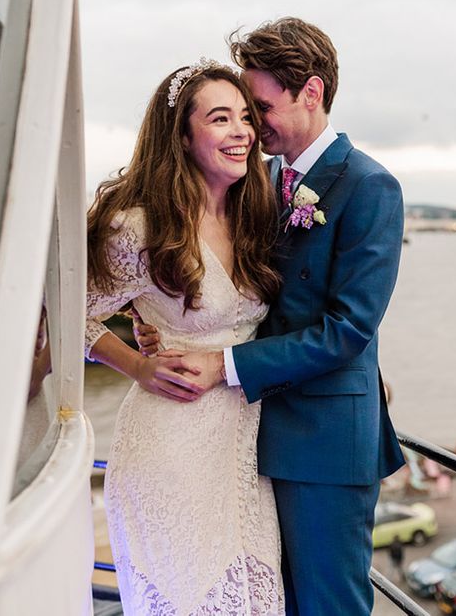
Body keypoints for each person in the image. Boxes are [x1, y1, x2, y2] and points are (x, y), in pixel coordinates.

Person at [137, 18, 405, 615]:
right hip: (250, 436)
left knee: (327, 605)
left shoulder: (370, 188)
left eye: (261, 108)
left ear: (311, 93)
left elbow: (348, 330)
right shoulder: (260, 179)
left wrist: (223, 363)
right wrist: (162, 318)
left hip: (325, 445)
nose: (253, 128)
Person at [85, 60, 284, 614]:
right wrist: (137, 364)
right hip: (170, 447)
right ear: (182, 135)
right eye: (220, 118)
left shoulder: (254, 214)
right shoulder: (138, 226)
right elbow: (64, 314)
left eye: (246, 117)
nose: (242, 131)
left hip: (242, 451)